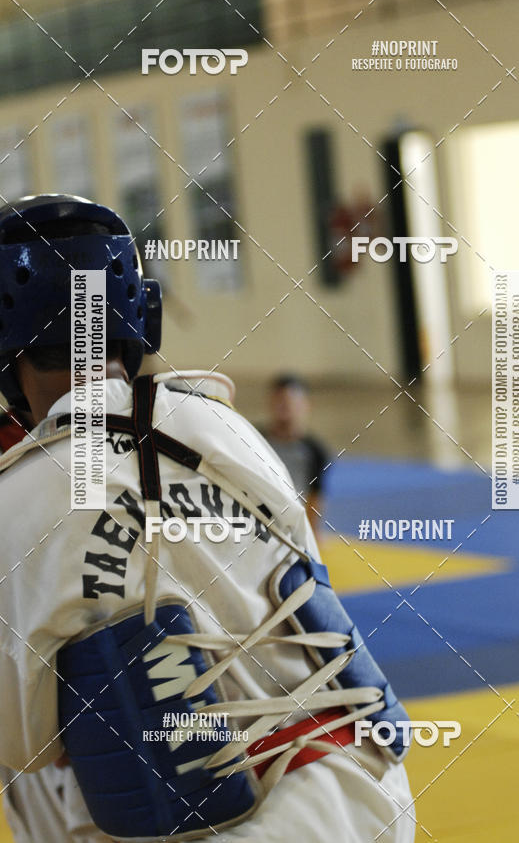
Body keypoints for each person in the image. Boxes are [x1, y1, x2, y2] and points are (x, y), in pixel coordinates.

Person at [0, 194, 415, 843]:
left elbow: (22, 744)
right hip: (371, 798)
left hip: (223, 830)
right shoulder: (233, 428)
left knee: (42, 759)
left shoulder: (17, 500)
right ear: (139, 313)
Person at [262, 375, 329, 540]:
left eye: (291, 402)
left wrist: (312, 535)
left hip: (292, 526)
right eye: (279, 401)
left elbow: (315, 496)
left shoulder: (315, 451)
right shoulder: (255, 439)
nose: (285, 407)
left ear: (307, 405)